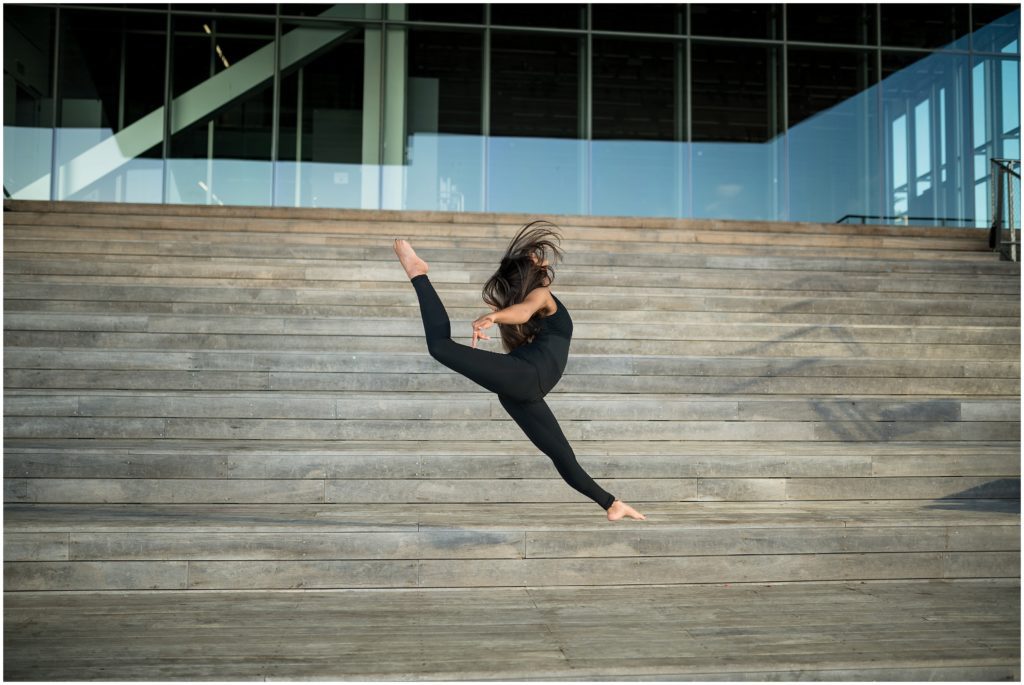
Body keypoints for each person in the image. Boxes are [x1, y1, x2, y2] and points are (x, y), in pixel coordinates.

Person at [393, 220, 647, 521]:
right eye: (536, 257)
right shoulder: (542, 293)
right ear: (531, 270)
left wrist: (499, 316)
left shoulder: (539, 299)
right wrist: (496, 317)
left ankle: (611, 503)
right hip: (525, 377)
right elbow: (522, 312)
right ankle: (418, 273)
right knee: (440, 347)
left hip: (526, 391)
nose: (542, 258)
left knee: (562, 456)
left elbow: (522, 311)